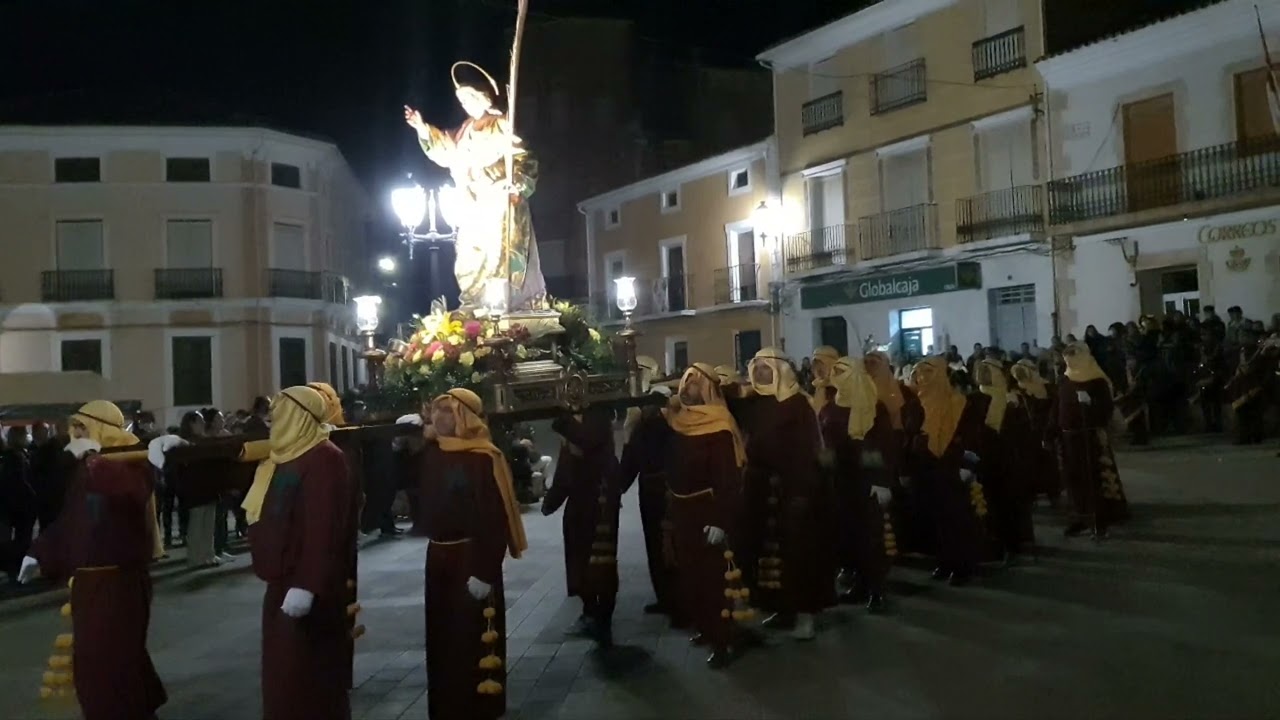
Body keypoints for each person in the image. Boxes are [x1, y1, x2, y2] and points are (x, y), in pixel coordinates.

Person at [18, 401, 167, 719]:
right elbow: (70, 520)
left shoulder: (128, 462)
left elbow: (133, 495)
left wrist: (98, 466)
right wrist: (37, 552)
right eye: (75, 429)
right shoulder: (88, 468)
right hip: (91, 585)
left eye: (82, 429)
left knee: (113, 664)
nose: (75, 436)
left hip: (117, 584)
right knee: (96, 666)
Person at [241, 386, 358, 720]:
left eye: (279, 410)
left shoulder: (324, 457)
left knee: (308, 680)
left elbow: (324, 527)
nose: (272, 417)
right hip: (281, 584)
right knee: (283, 680)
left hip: (308, 589)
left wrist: (307, 583)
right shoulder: (282, 456)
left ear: (299, 416)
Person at [410, 389, 527, 719]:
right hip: (439, 558)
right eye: (437, 410)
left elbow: (495, 518)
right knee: (442, 638)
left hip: (470, 560)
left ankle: (479, 709)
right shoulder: (431, 452)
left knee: (470, 637)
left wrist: (485, 570)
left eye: (449, 411)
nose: (440, 417)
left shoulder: (482, 457)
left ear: (467, 416)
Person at [404, 67, 546, 310]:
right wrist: (422, 129)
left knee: (500, 257)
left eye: (470, 98)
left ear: (484, 98)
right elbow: (446, 152)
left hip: (499, 203)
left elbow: (525, 159)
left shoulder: (501, 125)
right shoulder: (464, 131)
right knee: (469, 257)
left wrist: (516, 182)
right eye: (462, 100)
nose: (466, 104)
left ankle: (508, 303)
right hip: (471, 204)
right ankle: (474, 301)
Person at [743, 348, 830, 640]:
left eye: (766, 368)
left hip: (793, 488)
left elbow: (808, 451)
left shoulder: (799, 405)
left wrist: (802, 491)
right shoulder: (755, 404)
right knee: (771, 552)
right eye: (756, 368)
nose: (760, 373)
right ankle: (780, 607)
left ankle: (805, 614)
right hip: (763, 490)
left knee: (798, 552)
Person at [665, 363, 749, 667]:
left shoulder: (720, 423)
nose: (688, 389)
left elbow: (728, 477)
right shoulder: (678, 420)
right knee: (691, 575)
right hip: (682, 509)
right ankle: (704, 626)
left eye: (695, 384)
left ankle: (723, 639)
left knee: (714, 578)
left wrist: (721, 519)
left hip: (708, 510)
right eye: (686, 383)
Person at [542, 406, 622, 646]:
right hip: (580, 506)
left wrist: (563, 420)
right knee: (579, 561)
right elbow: (567, 467)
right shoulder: (576, 426)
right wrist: (551, 501)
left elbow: (584, 441)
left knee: (601, 565)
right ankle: (590, 612)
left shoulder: (597, 417)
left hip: (600, 503)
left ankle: (602, 620)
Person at [906, 356, 988, 586]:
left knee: (956, 519)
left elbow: (971, 436)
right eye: (920, 373)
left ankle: (963, 566)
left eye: (928, 372)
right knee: (935, 518)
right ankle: (943, 561)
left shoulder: (958, 402)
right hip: (927, 466)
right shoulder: (918, 402)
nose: (923, 377)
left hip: (951, 467)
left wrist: (966, 464)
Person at [822, 357, 893, 612]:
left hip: (866, 481)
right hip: (841, 480)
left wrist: (881, 481)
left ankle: (877, 590)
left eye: (843, 372)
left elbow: (883, 445)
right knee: (849, 535)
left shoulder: (873, 406)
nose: (837, 376)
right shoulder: (831, 407)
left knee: (870, 537)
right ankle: (859, 584)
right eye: (836, 372)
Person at [619, 356, 680, 620]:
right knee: (654, 547)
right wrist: (617, 488)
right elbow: (631, 463)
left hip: (671, 492)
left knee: (672, 546)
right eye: (646, 406)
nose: (649, 410)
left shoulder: (675, 429)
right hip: (649, 491)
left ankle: (679, 601)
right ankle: (664, 598)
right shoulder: (640, 430)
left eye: (654, 406)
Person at [1049, 343, 1128, 539]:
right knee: (1073, 479)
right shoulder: (1065, 380)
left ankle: (1098, 521)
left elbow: (1106, 410)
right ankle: (1080, 517)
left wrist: (1090, 406)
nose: (1067, 362)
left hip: (1089, 436)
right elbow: (1056, 407)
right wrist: (1050, 432)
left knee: (1092, 479)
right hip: (1069, 436)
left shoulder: (1096, 381)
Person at [975, 359, 1034, 562]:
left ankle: (1013, 544)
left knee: (1009, 502)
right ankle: (997, 544)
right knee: (992, 502)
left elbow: (1023, 430)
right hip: (990, 458)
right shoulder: (978, 399)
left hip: (1008, 457)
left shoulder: (1010, 399)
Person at [1011, 359, 1061, 503]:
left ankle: (1052, 492)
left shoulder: (1048, 387)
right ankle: (1036, 493)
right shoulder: (1018, 389)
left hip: (1045, 430)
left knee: (1047, 462)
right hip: (1029, 433)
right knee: (1031, 463)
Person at [808, 345, 840, 413]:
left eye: (822, 365)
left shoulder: (841, 386)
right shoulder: (815, 385)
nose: (819, 370)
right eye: (816, 365)